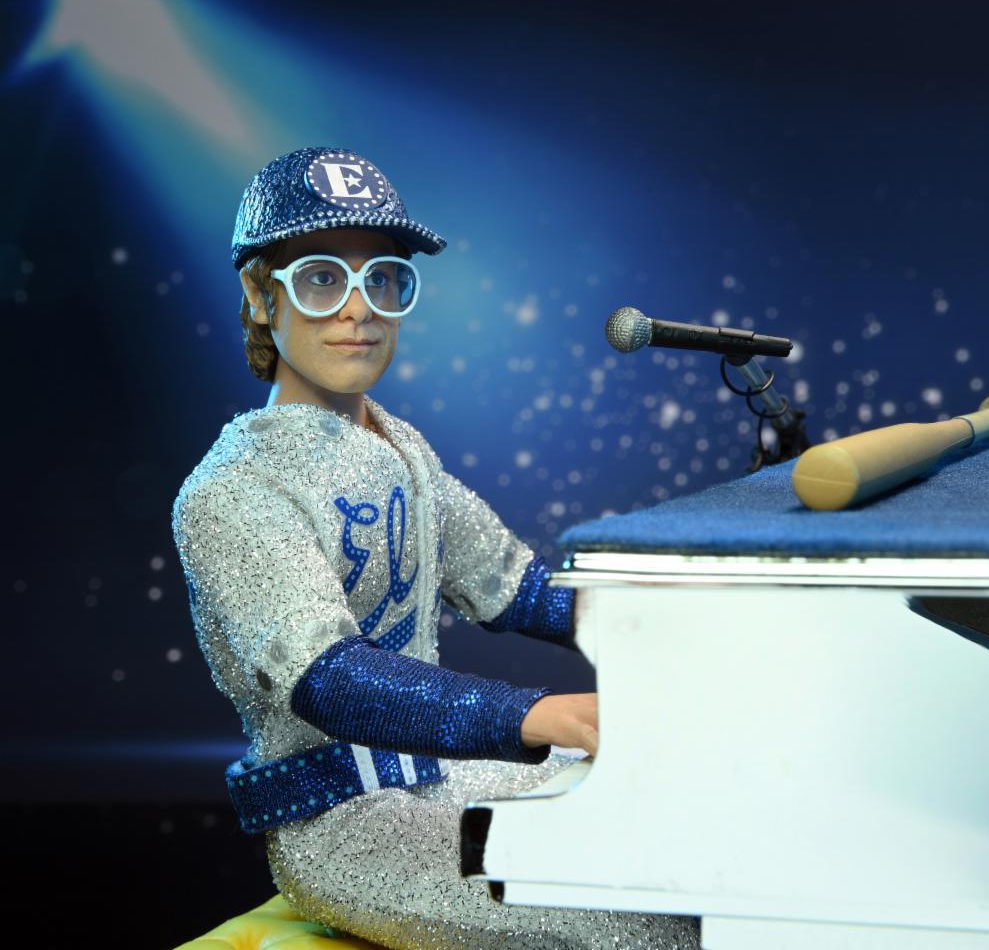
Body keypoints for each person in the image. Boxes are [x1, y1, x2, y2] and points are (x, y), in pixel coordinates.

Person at [171, 147, 700, 950]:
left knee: (686, 836)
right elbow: (331, 680)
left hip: (445, 777)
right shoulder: (233, 490)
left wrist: (682, 626)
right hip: (345, 826)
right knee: (639, 924)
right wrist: (540, 715)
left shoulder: (401, 447)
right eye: (322, 278)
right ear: (259, 293)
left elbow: (518, 589)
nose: (360, 308)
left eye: (383, 278)